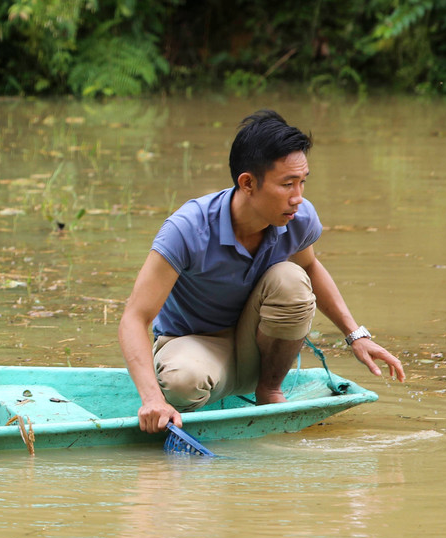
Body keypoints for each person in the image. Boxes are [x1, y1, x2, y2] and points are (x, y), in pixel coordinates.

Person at [117, 109, 405, 434]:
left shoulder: (297, 218)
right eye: (287, 184)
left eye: (302, 182)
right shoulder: (187, 229)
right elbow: (134, 317)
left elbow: (310, 266)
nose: (298, 198)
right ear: (248, 183)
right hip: (196, 345)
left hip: (259, 349)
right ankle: (198, 389)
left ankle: (269, 390)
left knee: (292, 279)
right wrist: (152, 399)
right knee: (183, 383)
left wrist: (356, 336)